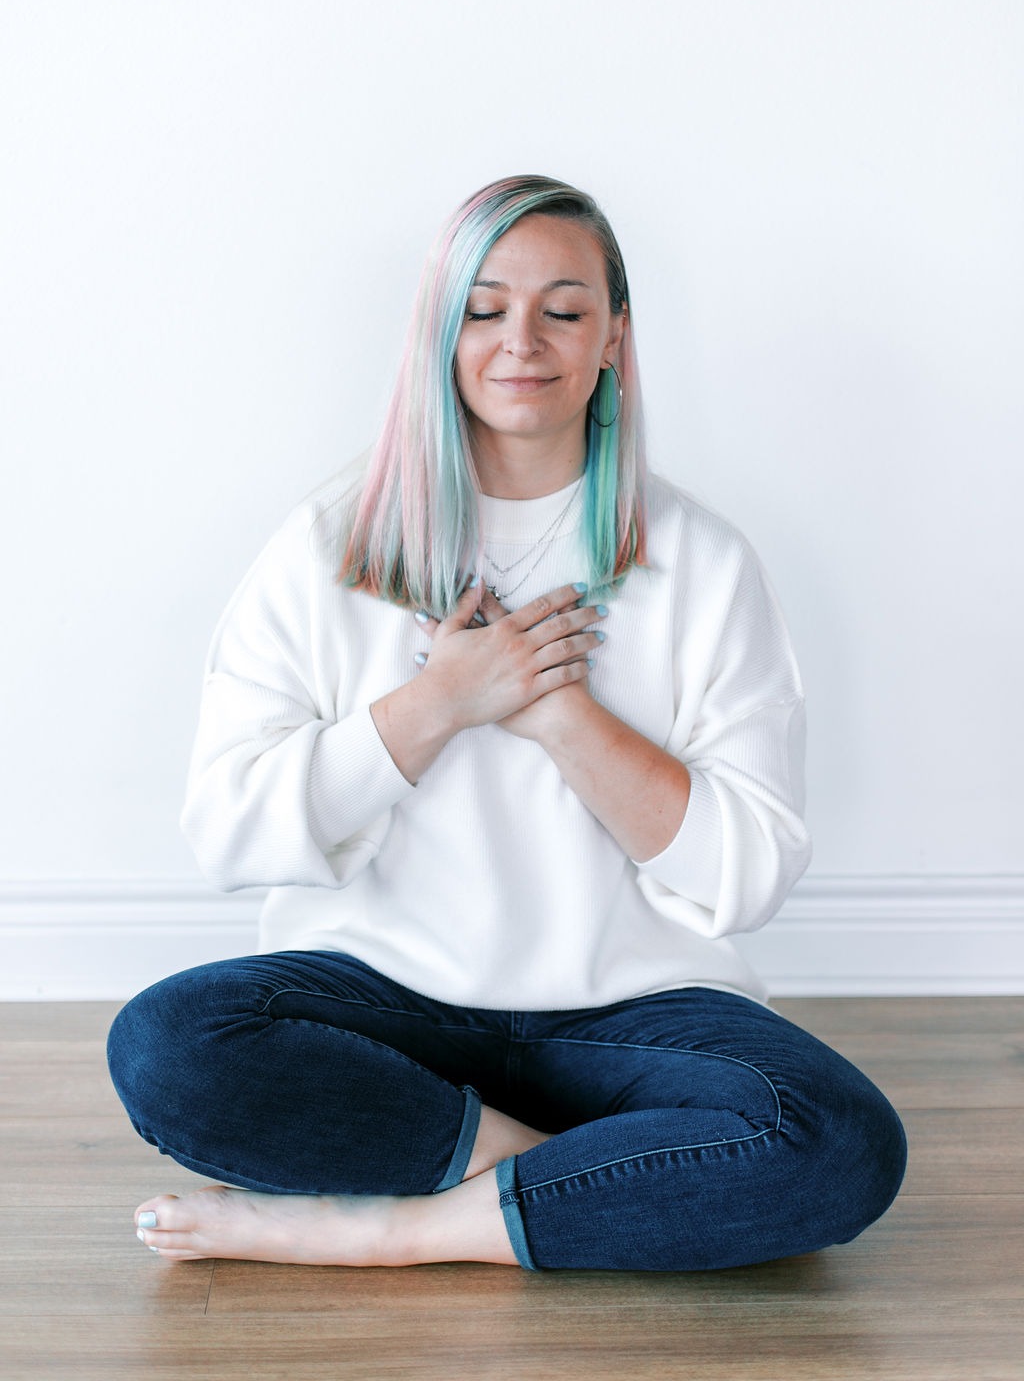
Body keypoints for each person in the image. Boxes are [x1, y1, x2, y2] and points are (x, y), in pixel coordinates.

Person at [107, 175, 906, 1270]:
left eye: (563, 310)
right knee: (166, 1046)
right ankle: (575, 1180)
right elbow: (232, 834)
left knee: (841, 1143)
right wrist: (440, 703)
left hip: (633, 1009)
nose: (520, 342)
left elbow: (748, 871)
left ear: (613, 337)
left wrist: (557, 713)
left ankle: (398, 1229)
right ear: (438, 332)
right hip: (383, 1001)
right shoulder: (322, 547)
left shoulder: (705, 562)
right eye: (483, 309)